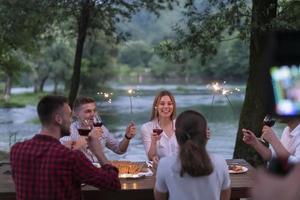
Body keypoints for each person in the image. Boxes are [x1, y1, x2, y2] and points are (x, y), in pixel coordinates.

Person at [10, 95, 120, 200]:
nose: (71, 120)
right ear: (58, 119)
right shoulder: (70, 156)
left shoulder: (17, 151)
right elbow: (112, 183)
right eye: (69, 116)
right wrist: (98, 151)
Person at [154, 110, 231, 200]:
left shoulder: (165, 164)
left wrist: (158, 173)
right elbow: (225, 197)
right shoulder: (220, 162)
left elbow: (159, 198)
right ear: (205, 135)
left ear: (177, 135)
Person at [61, 96, 136, 162]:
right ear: (76, 114)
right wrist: (89, 136)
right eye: (88, 111)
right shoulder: (69, 130)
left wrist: (127, 137)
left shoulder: (101, 128)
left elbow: (119, 150)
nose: (93, 114)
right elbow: (65, 154)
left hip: (98, 171)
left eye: (94, 110)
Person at [141, 90, 178, 162]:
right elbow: (151, 158)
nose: (166, 107)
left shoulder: (180, 124)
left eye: (170, 104)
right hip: (159, 170)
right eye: (162, 104)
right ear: (156, 107)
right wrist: (154, 142)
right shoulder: (147, 128)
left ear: (173, 107)